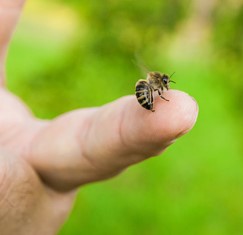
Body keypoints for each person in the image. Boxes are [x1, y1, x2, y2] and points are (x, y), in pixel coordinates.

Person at [0, 1, 198, 234]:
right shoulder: (153, 84)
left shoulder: (156, 84)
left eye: (165, 84)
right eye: (165, 83)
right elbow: (154, 89)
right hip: (143, 93)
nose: (166, 85)